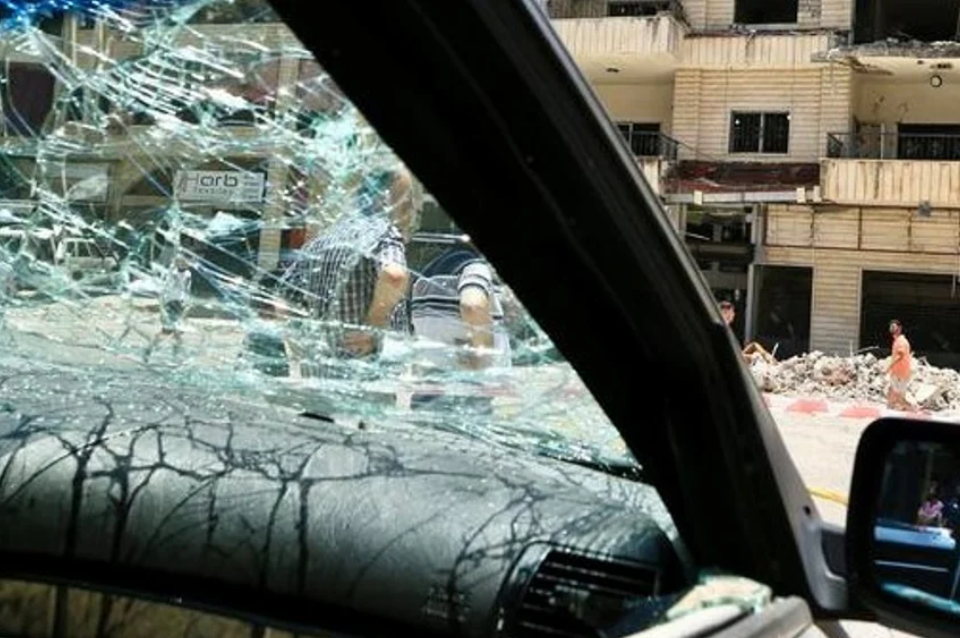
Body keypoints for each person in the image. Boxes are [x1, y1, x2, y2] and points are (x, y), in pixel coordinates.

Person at [278, 166, 421, 377]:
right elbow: (394, 274)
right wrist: (373, 325)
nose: (410, 211)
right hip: (363, 376)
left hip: (317, 374)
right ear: (388, 200)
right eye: (407, 202)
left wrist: (301, 346)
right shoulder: (383, 233)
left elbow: (282, 298)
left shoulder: (325, 239)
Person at [144, 255, 192, 361]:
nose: (186, 264)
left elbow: (186, 289)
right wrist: (162, 306)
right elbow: (165, 289)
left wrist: (187, 303)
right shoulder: (172, 274)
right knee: (168, 331)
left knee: (178, 331)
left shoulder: (187, 274)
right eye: (182, 262)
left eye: (186, 262)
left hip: (180, 303)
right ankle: (150, 350)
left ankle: (174, 356)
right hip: (171, 303)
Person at [886, 319, 913, 411]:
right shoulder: (897, 340)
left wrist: (888, 367)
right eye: (891, 327)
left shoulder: (901, 341)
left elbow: (899, 356)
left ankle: (912, 410)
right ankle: (890, 408)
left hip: (901, 373)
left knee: (899, 397)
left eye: (894, 326)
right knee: (892, 392)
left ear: (900, 328)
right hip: (897, 372)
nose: (891, 328)